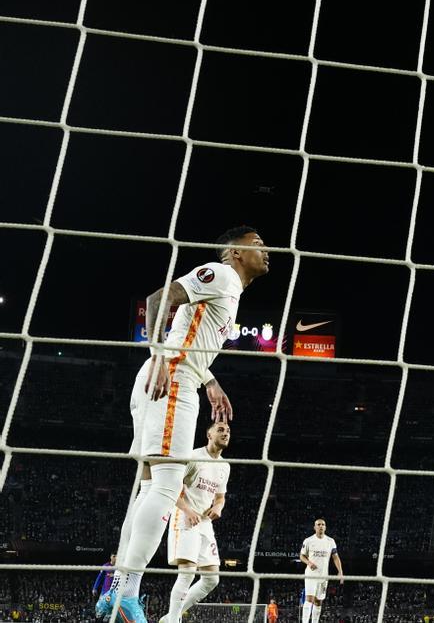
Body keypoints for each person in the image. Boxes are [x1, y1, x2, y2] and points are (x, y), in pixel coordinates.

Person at [97, 226, 269, 623]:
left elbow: (189, 334)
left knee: (147, 487)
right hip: (171, 382)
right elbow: (160, 298)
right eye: (257, 244)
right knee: (167, 484)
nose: (266, 250)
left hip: (170, 378)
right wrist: (160, 355)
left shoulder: (230, 293)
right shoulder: (222, 274)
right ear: (234, 253)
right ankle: (128, 592)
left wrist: (209, 379)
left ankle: (116, 591)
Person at [159, 422, 232, 623]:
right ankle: (173, 620)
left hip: (204, 522)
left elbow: (220, 497)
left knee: (212, 579)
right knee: (187, 573)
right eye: (220, 430)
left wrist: (218, 508)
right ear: (209, 434)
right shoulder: (193, 457)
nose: (225, 433)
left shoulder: (224, 466)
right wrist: (188, 510)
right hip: (184, 516)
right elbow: (170, 487)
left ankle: (169, 618)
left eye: (228, 431)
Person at [300, 518, 344, 623]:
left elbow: (335, 557)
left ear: (325, 527)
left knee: (318, 602)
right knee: (309, 599)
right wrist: (309, 563)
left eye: (323, 524)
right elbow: (302, 556)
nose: (321, 526)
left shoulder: (330, 541)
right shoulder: (308, 540)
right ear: (314, 527)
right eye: (318, 524)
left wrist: (340, 571)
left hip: (324, 576)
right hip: (311, 574)